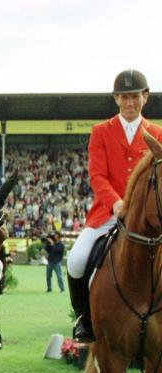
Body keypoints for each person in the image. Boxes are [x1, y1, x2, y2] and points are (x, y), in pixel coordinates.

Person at [67, 69, 162, 342]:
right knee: (76, 260)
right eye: (124, 97)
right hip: (109, 213)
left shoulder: (157, 134)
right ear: (116, 99)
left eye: (135, 96)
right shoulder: (100, 132)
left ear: (145, 98)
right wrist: (117, 203)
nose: (130, 103)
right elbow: (97, 175)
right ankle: (84, 318)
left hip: (149, 217)